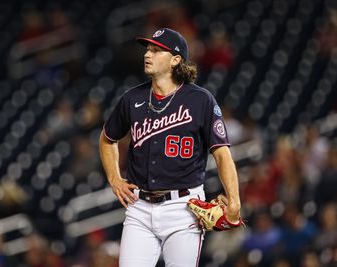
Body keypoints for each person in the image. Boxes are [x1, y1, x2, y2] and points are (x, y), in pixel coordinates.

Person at [99, 28, 241, 266]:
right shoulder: (132, 99)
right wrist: (114, 177)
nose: (148, 54)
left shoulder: (201, 100)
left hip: (184, 207)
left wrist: (234, 199)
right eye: (148, 49)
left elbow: (222, 153)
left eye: (156, 50)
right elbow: (107, 138)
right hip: (139, 208)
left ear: (176, 60)